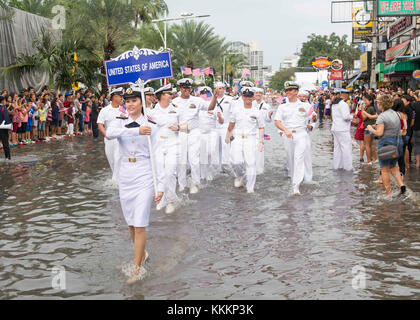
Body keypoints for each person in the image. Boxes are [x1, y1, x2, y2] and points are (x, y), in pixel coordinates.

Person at [106, 86, 164, 284]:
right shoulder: (119, 122)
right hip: (126, 175)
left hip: (144, 175)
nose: (130, 105)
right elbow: (109, 134)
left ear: (142, 103)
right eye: (127, 101)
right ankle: (143, 253)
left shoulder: (152, 124)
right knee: (130, 223)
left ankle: (136, 267)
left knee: (140, 223)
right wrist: (136, 130)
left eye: (134, 101)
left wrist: (160, 186)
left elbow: (158, 157)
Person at [173, 78, 216, 194]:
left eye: (188, 88)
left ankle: (195, 183)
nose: (187, 90)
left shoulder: (197, 100)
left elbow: (210, 108)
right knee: (181, 161)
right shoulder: (174, 102)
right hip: (180, 133)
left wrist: (215, 97)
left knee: (194, 160)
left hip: (194, 133)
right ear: (180, 89)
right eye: (184, 88)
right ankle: (182, 184)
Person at [274, 82, 315, 195]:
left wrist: (314, 118)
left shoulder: (306, 106)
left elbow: (313, 119)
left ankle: (296, 185)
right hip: (288, 135)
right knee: (291, 159)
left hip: (301, 134)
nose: (288, 92)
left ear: (296, 92)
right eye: (286, 90)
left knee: (299, 158)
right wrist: (285, 130)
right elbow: (277, 121)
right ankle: (293, 179)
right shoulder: (282, 107)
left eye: (290, 90)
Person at [147, 84, 180, 214]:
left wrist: (179, 128)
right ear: (161, 96)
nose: (171, 95)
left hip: (173, 144)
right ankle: (162, 200)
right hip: (158, 145)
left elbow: (188, 125)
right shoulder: (151, 112)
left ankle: (171, 201)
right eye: (168, 94)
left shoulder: (177, 109)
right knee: (159, 174)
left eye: (171, 93)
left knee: (170, 173)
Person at [225, 87, 264, 194]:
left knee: (251, 164)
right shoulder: (236, 110)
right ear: (242, 97)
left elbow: (261, 127)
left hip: (251, 139)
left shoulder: (257, 112)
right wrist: (227, 136)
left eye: (250, 96)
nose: (248, 98)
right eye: (245, 96)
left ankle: (250, 188)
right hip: (237, 138)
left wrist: (261, 142)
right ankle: (240, 176)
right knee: (236, 161)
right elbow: (231, 125)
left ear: (253, 97)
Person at [367, 94, 406, 197]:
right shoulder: (396, 114)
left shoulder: (381, 116)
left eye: (378, 103)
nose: (377, 105)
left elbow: (379, 133)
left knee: (384, 169)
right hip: (398, 143)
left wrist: (371, 129)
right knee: (394, 167)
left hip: (386, 145)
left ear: (381, 104)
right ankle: (402, 185)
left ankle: (387, 192)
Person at [97, 87, 126, 186]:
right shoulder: (105, 110)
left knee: (118, 158)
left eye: (121, 97)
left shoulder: (123, 110)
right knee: (112, 161)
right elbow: (100, 124)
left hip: (120, 139)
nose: (121, 98)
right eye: (119, 96)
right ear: (114, 97)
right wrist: (106, 135)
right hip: (109, 139)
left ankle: (115, 182)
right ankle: (117, 179)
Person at [198, 86, 223, 181]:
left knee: (210, 152)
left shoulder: (214, 106)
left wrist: (220, 118)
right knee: (202, 153)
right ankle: (202, 173)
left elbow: (221, 121)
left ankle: (209, 171)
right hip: (200, 133)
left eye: (207, 94)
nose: (205, 96)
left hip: (212, 132)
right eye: (203, 94)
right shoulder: (197, 106)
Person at [213, 82, 234, 173]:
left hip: (226, 126)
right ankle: (217, 168)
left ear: (224, 89)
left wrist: (232, 130)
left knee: (226, 148)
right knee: (215, 148)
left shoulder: (230, 99)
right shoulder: (211, 100)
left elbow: (234, 114)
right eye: (218, 88)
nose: (220, 90)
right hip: (214, 127)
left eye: (221, 88)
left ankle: (227, 168)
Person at [331, 89, 354, 171]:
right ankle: (348, 168)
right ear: (345, 95)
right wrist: (352, 116)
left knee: (337, 149)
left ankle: (338, 166)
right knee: (346, 148)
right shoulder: (343, 104)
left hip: (335, 128)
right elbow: (345, 117)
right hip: (342, 129)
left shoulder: (334, 104)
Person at [253, 88, 273, 175]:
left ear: (262, 95)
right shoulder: (250, 104)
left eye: (260, 93)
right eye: (256, 93)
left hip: (260, 130)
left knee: (260, 150)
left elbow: (268, 120)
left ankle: (259, 170)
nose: (258, 94)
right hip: (250, 129)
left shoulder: (266, 106)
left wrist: (269, 115)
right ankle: (251, 168)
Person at [362, 94, 378, 164]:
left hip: (368, 128)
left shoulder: (368, 108)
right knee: (371, 144)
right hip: (372, 127)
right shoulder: (372, 108)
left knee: (367, 145)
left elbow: (364, 118)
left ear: (370, 101)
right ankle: (375, 159)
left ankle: (369, 160)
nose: (365, 101)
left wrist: (362, 110)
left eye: (366, 100)